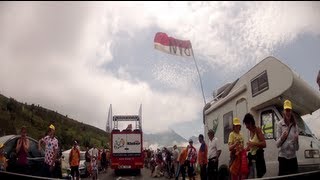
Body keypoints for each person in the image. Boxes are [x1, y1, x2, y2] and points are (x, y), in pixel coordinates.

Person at [276, 100, 299, 175]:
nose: (288, 112)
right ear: (284, 111)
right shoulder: (279, 124)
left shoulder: (295, 126)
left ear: (291, 111)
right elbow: (277, 145)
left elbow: (297, 148)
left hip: (293, 159)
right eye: (286, 110)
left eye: (289, 110)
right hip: (283, 159)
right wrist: (282, 137)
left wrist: (296, 140)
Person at [243, 113, 267, 178]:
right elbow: (251, 147)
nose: (246, 127)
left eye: (246, 124)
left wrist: (253, 144)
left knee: (257, 177)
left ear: (250, 123)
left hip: (258, 160)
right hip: (252, 159)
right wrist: (244, 149)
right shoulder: (250, 132)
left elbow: (264, 144)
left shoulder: (258, 130)